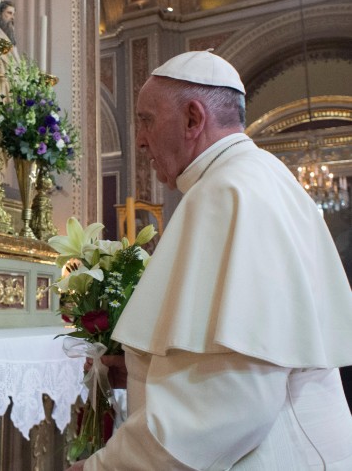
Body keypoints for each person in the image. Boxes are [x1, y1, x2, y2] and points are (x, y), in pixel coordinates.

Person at [68, 51, 352, 470]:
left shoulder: (227, 192)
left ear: (192, 119)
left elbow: (231, 405)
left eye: (146, 120)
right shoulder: (255, 175)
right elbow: (240, 359)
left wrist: (102, 467)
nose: (140, 139)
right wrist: (153, 375)